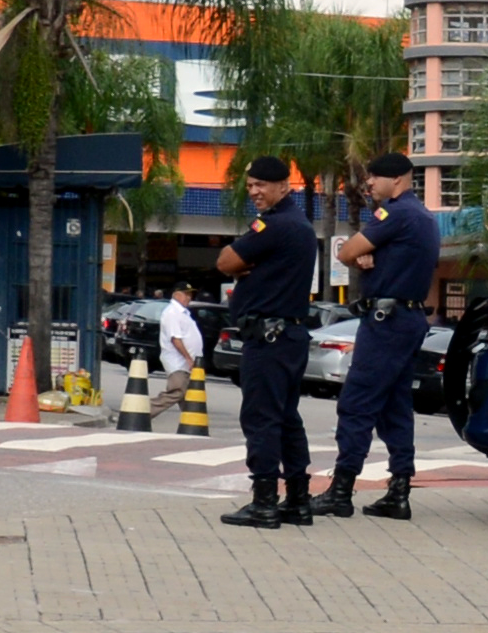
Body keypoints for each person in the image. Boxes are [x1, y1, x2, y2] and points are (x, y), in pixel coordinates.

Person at [322, 152, 441, 520]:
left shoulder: (395, 213)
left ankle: (341, 490)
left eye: (375, 177)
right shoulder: (423, 216)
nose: (369, 183)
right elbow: (365, 254)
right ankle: (399, 491)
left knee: (357, 402)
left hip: (386, 322)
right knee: (395, 406)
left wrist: (359, 253)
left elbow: (346, 250)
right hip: (408, 319)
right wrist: (366, 254)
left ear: (398, 180)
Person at [215, 157, 319, 527]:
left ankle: (264, 503)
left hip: (269, 338)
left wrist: (242, 266)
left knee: (261, 418)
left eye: (261, 185)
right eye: (250, 186)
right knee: (287, 418)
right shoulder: (299, 224)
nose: (255, 192)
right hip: (289, 336)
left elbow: (225, 262)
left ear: (283, 186)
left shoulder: (274, 225)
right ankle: (298, 500)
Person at [156, 283, 205, 395]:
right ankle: (148, 406)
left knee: (190, 397)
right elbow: (175, 339)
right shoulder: (172, 312)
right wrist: (188, 358)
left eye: (190, 295)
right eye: (186, 294)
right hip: (178, 363)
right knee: (177, 392)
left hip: (187, 364)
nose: (189, 298)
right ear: (176, 295)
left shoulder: (183, 312)